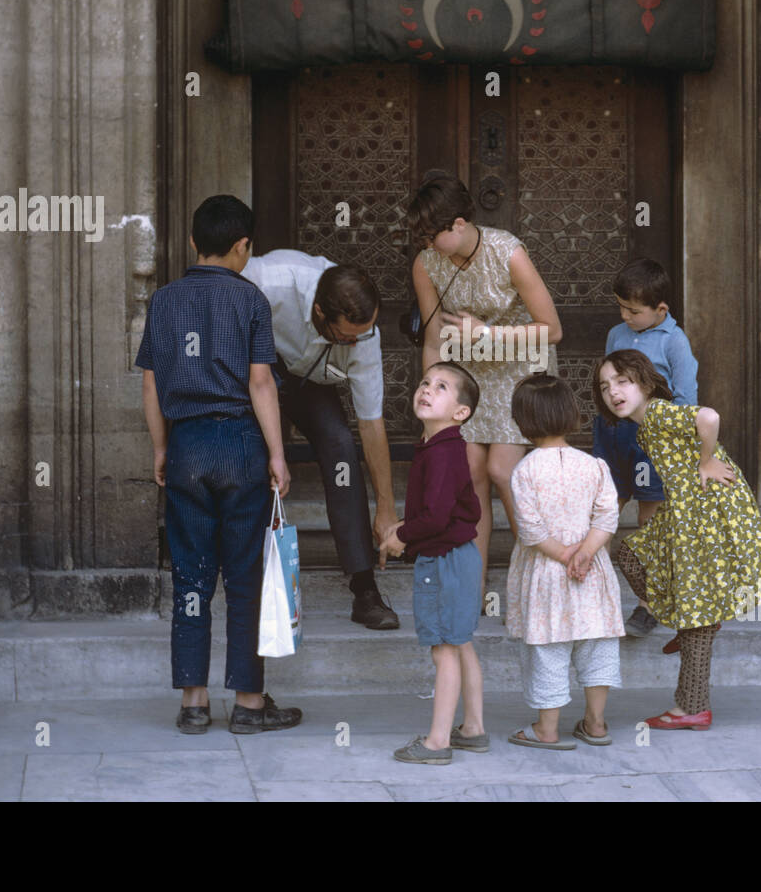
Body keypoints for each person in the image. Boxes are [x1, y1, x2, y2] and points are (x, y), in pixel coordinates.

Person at [135, 194, 302, 735]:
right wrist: (277, 454)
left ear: (191, 243)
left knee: (191, 574)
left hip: (187, 447)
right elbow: (260, 382)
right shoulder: (251, 301)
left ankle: (193, 701)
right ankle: (250, 705)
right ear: (243, 247)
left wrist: (163, 448)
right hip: (241, 447)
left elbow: (152, 382)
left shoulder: (163, 301)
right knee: (245, 576)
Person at [595, 349, 761, 731]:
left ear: (646, 384)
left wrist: (706, 461)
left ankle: (692, 706)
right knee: (632, 554)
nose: (613, 391)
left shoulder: (659, 412)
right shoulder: (643, 425)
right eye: (605, 386)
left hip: (708, 510)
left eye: (623, 381)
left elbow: (708, 416)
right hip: (687, 510)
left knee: (697, 611)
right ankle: (686, 625)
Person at [408, 172, 562, 588]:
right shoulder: (427, 263)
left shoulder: (506, 252)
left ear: (458, 225)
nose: (426, 244)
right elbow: (435, 338)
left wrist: (490, 335)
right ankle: (472, 587)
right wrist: (432, 400)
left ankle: (540, 575)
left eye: (432, 234)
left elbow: (552, 329)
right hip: (469, 373)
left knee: (501, 469)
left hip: (518, 365)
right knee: (469, 471)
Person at [242, 250, 400, 630]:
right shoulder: (272, 279)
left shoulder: (363, 337)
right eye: (345, 337)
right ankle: (255, 584)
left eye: (359, 336)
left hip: (308, 382)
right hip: (254, 370)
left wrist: (387, 509)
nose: (355, 344)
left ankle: (364, 588)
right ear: (318, 312)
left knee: (341, 449)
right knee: (252, 454)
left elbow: (371, 423)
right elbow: (218, 282)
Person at [505, 374, 624, 750]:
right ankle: (596, 723)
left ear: (522, 421)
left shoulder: (525, 471)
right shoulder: (594, 466)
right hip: (593, 572)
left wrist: (564, 555)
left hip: (547, 573)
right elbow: (607, 516)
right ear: (572, 414)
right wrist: (585, 553)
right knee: (596, 645)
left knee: (548, 648)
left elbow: (530, 528)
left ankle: (547, 729)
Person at [378, 363, 486, 765]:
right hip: (458, 558)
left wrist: (400, 537)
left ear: (461, 412)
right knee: (461, 644)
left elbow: (437, 519)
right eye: (425, 382)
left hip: (444, 561)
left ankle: (438, 742)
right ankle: (472, 728)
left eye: (441, 387)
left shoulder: (443, 451)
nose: (427, 389)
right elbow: (437, 511)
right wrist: (406, 529)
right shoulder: (440, 447)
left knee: (444, 649)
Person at [592, 258, 699, 639]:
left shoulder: (674, 341)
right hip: (613, 434)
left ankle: (647, 605)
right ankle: (592, 596)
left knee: (648, 520)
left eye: (633, 311)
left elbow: (686, 398)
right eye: (621, 307)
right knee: (604, 507)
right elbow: (607, 381)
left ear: (661, 310)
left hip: (652, 439)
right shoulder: (616, 334)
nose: (625, 316)